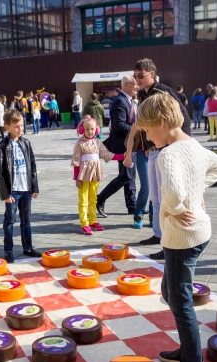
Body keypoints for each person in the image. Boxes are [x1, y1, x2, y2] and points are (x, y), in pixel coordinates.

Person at [136, 92, 217, 362]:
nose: (148, 138)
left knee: (180, 300)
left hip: (181, 237)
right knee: (172, 292)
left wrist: (175, 207)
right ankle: (188, 351)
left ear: (162, 122)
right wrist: (195, 193)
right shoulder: (194, 145)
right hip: (200, 232)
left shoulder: (168, 154)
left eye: (148, 131)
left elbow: (173, 194)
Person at [124, 58, 192, 257]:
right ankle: (158, 233)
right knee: (155, 196)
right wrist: (147, 145)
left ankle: (169, 244)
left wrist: (176, 145)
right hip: (153, 150)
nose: (137, 79)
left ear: (151, 74)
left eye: (140, 76)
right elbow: (141, 124)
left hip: (167, 150)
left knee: (165, 196)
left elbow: (181, 117)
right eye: (135, 76)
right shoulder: (143, 94)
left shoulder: (162, 92)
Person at [0, 109, 41, 263]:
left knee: (26, 219)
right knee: (10, 221)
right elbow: (1, 172)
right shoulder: (3, 145)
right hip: (13, 191)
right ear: (7, 127)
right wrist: (5, 194)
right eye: (16, 126)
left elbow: (33, 166)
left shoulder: (26, 143)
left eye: (22, 126)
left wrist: (34, 187)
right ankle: (8, 250)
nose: (20, 129)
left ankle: (27, 247)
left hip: (26, 189)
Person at [72, 116, 124, 235]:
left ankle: (93, 220)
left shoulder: (97, 142)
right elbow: (75, 161)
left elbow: (107, 155)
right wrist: (76, 178)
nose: (90, 132)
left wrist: (122, 156)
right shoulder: (79, 144)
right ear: (82, 130)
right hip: (83, 175)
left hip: (95, 173)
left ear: (96, 130)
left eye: (92, 129)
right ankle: (84, 223)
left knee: (93, 198)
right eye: (87, 129)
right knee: (83, 200)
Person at [96, 75, 138, 218]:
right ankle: (100, 198)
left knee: (130, 176)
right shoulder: (120, 101)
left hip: (130, 144)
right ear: (126, 85)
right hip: (122, 145)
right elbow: (119, 125)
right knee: (126, 176)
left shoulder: (129, 100)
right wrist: (137, 129)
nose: (137, 86)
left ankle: (132, 206)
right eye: (134, 84)